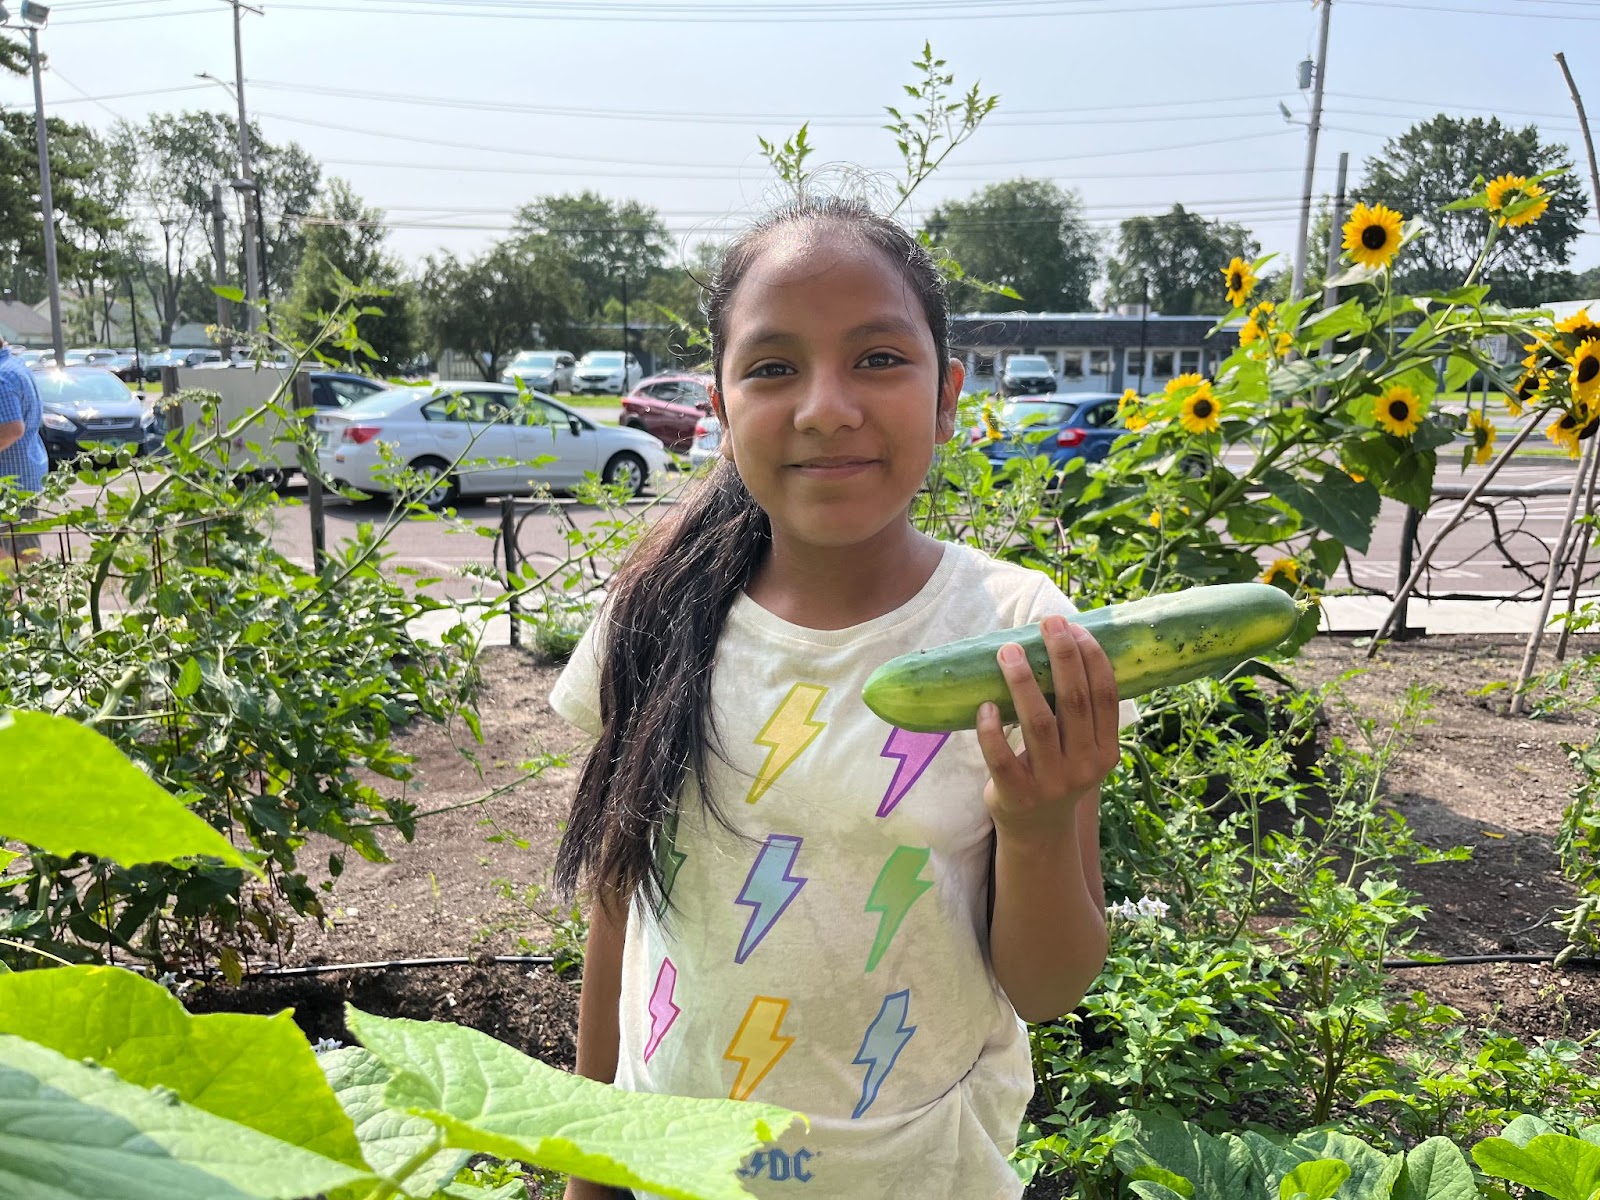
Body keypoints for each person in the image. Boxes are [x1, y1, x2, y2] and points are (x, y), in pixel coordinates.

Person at [550, 197, 1137, 1200]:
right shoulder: (653, 612)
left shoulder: (1014, 627)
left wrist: (1037, 829)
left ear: (948, 396)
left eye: (877, 358)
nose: (825, 406)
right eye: (773, 367)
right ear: (721, 409)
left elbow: (1046, 989)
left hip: (915, 1173)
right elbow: (620, 899)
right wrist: (589, 1172)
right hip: (682, 1166)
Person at [0, 336, 49, 566]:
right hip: (24, 477)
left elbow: (12, 429)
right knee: (25, 554)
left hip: (9, 485)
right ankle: (36, 599)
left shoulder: (2, 376)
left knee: (12, 558)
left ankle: (15, 600)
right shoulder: (15, 367)